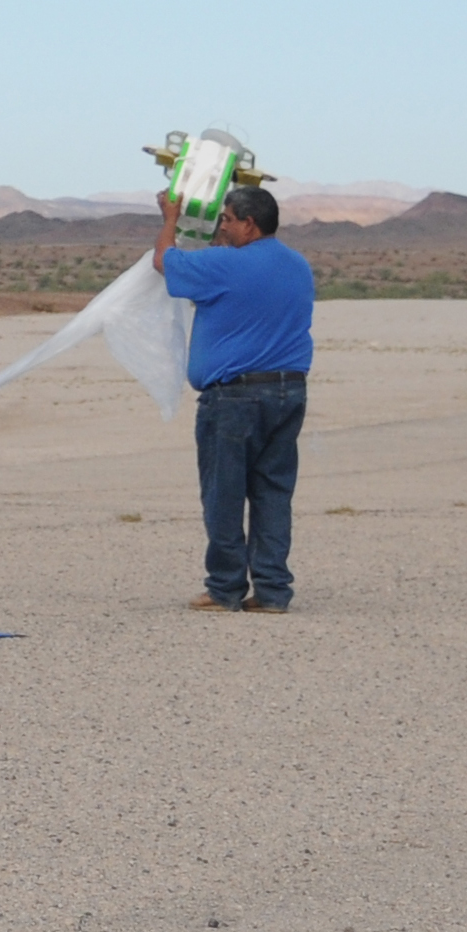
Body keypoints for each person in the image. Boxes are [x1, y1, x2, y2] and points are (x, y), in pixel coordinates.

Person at [154, 182, 316, 614]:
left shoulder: (227, 265)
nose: (222, 226)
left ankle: (224, 588)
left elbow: (165, 264)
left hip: (235, 399)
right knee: (273, 493)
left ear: (249, 223)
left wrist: (170, 218)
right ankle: (272, 591)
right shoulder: (298, 265)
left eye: (226, 219)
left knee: (224, 494)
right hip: (289, 392)